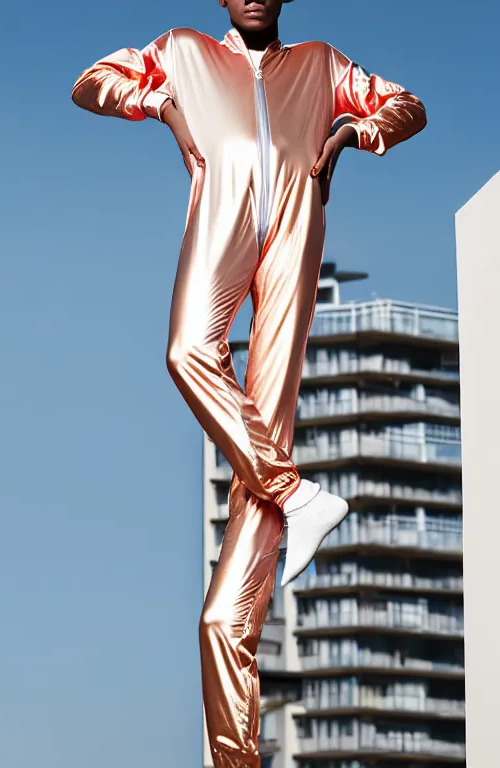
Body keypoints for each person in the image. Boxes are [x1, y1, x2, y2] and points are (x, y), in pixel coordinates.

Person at [72, 0, 427, 764]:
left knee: (222, 623)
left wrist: (352, 133)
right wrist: (160, 102)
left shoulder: (322, 64)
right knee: (188, 349)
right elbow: (91, 81)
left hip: (297, 226)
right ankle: (295, 492)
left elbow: (407, 105)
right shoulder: (187, 52)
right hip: (224, 212)